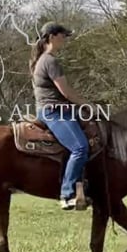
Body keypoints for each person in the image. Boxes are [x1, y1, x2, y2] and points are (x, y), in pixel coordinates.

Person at [30, 21, 93, 210]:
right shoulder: (50, 61)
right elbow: (66, 92)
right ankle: (67, 194)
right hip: (54, 112)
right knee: (80, 148)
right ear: (51, 37)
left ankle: (84, 188)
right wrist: (89, 105)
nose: (65, 38)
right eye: (62, 35)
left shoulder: (42, 59)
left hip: (56, 110)